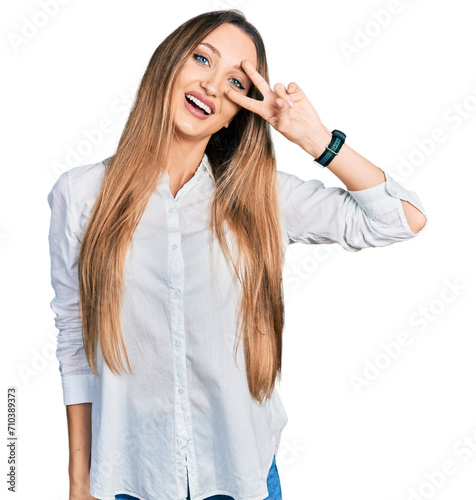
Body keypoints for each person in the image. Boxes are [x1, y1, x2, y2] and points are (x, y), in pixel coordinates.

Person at [47, 9, 428, 500]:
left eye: (234, 81)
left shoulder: (260, 195)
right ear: (167, 65)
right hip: (127, 477)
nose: (210, 84)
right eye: (201, 58)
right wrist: (79, 481)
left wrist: (312, 137)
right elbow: (74, 338)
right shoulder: (81, 194)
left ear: (238, 110)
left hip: (240, 477)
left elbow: (401, 218)